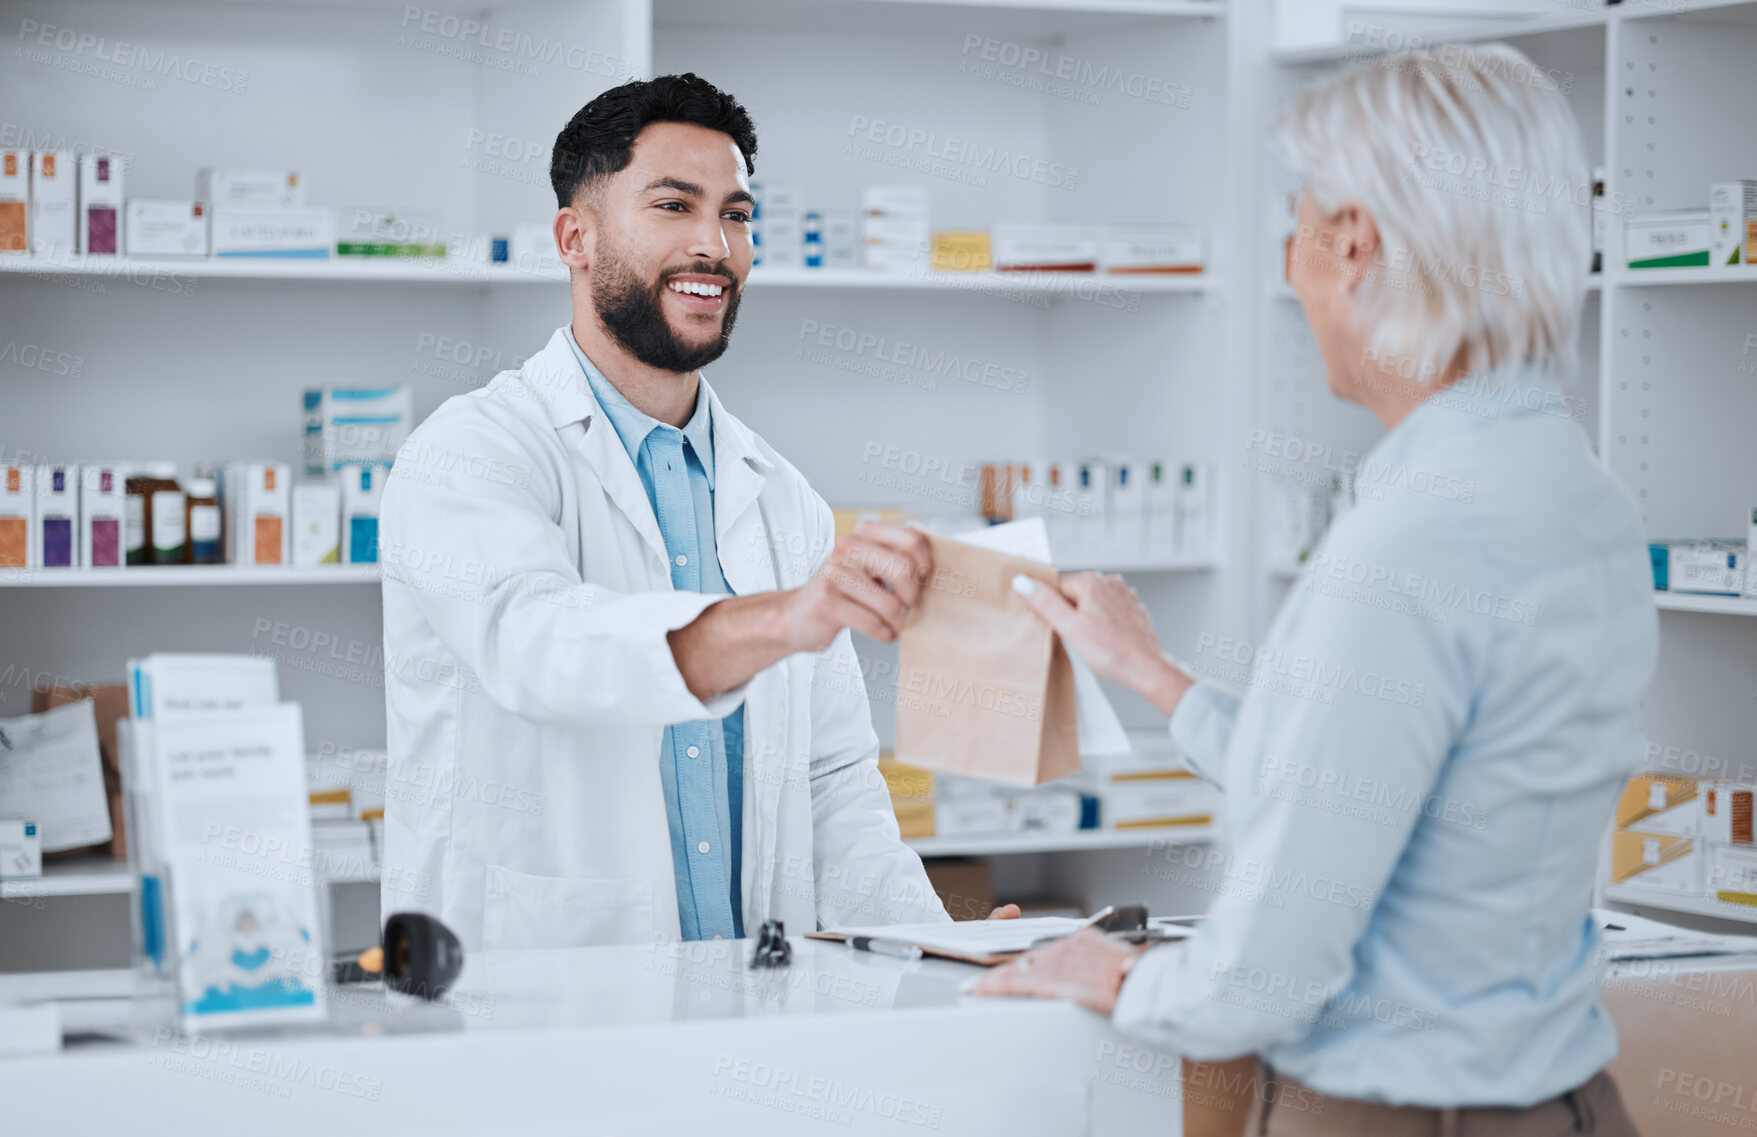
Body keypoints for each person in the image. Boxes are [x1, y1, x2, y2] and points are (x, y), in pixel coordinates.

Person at [976, 44, 1656, 1135]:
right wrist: (1156, 677)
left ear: (1353, 242)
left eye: (1293, 224)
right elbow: (1397, 791)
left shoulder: (1407, 540)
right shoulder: (1570, 489)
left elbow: (1266, 972)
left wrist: (1112, 975)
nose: (1288, 262)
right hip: (1563, 1102)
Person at [377, 74, 964, 951]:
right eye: (673, 206)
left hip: (748, 999)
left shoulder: (779, 495)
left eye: (735, 214)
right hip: (530, 993)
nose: (714, 245)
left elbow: (833, 774)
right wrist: (779, 618)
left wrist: (934, 946)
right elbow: (539, 644)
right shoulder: (473, 452)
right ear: (575, 237)